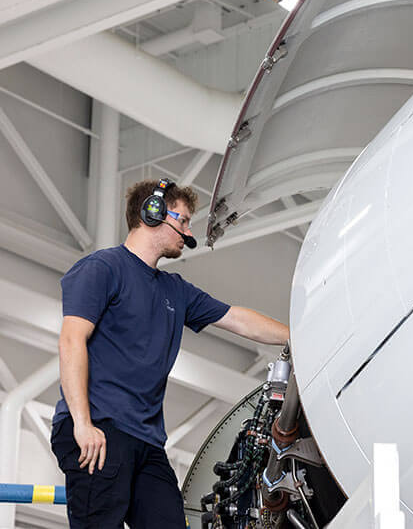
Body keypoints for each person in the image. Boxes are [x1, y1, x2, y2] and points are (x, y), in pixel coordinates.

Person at [50, 179, 289, 528]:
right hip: (100, 430)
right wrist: (83, 425)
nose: (189, 232)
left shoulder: (175, 290)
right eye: (185, 219)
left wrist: (295, 338)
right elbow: (71, 341)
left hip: (147, 442)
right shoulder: (102, 268)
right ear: (155, 212)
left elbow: (237, 319)